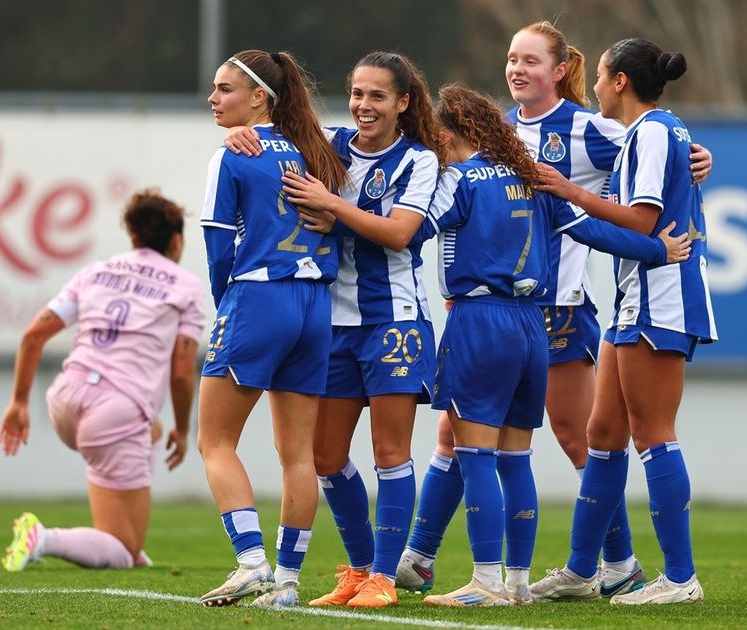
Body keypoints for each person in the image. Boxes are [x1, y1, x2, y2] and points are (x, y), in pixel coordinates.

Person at [397, 20, 713, 599]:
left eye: (531, 61)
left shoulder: (593, 128)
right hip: (512, 311)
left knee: (567, 435)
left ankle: (611, 563)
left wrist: (697, 159)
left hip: (558, 306)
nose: (517, 70)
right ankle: (420, 556)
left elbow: (660, 161)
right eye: (512, 60)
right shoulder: (501, 136)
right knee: (465, 432)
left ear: (561, 69)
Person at [228, 51, 445, 609]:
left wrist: (330, 204)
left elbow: (399, 234)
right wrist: (239, 137)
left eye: (377, 96)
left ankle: (386, 578)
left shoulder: (418, 161)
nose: (363, 105)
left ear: (403, 103)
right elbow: (269, 133)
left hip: (394, 319)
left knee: (390, 452)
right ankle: (358, 569)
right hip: (331, 321)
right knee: (324, 454)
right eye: (356, 93)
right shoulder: (327, 142)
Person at [527, 37, 717, 606]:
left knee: (652, 434)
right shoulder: (652, 133)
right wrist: (568, 216)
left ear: (620, 83)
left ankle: (680, 579)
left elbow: (640, 223)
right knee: (602, 435)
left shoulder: (655, 131)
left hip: (663, 296)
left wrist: (569, 194)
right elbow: (630, 229)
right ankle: (586, 571)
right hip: (635, 297)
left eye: (600, 75)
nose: (593, 87)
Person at [195, 49, 349, 609]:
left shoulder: (232, 155)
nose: (213, 99)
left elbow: (218, 247)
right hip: (314, 306)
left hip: (259, 296)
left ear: (260, 96)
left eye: (225, 89)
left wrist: (225, 303)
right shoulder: (314, 149)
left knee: (214, 440)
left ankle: (251, 563)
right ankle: (286, 583)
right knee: (297, 455)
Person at [0, 189, 205, 572]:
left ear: (135, 236)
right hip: (114, 412)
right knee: (123, 551)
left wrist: (19, 403)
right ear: (176, 241)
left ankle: (120, 534)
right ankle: (43, 537)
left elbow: (32, 336)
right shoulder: (185, 286)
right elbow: (181, 372)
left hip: (64, 398)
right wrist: (181, 427)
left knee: (149, 429)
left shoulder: (96, 271)